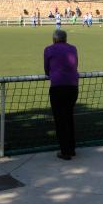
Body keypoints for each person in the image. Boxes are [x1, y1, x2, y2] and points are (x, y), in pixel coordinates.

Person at [44, 29, 79, 160]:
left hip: (58, 88)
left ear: (54, 39)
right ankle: (72, 148)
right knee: (69, 118)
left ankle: (65, 151)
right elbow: (75, 66)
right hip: (73, 87)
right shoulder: (73, 48)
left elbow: (47, 70)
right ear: (65, 39)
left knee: (60, 120)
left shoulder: (48, 50)